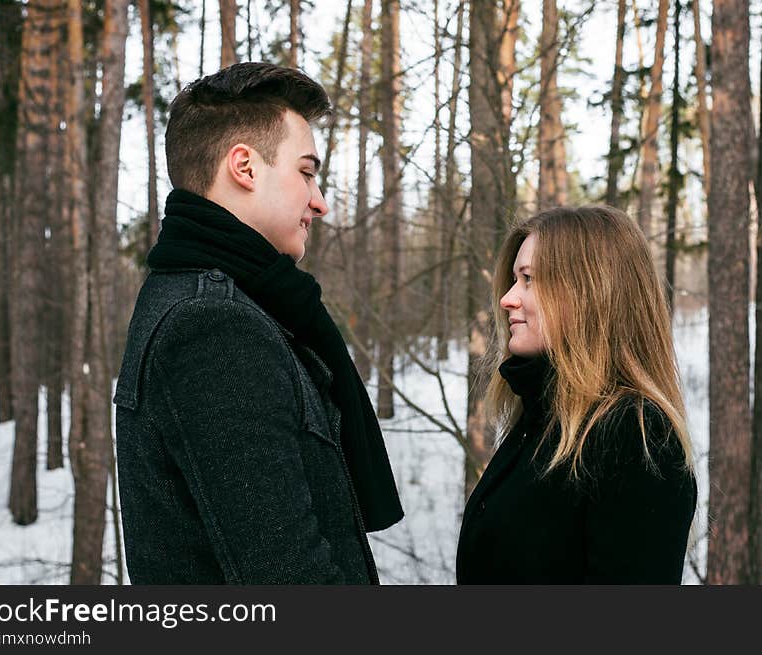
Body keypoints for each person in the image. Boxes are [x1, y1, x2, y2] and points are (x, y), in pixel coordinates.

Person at [113, 62, 403, 584]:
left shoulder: (205, 299)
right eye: (307, 172)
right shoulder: (213, 326)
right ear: (244, 166)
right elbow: (289, 578)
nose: (320, 202)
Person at [456, 206, 697, 584]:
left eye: (529, 279)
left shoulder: (634, 436)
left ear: (590, 293)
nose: (507, 299)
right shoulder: (542, 418)